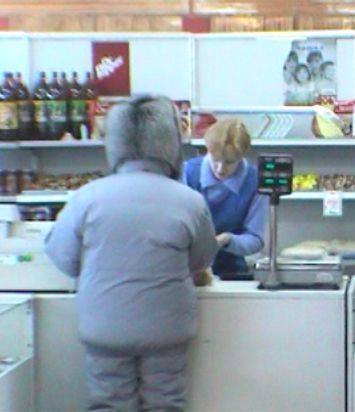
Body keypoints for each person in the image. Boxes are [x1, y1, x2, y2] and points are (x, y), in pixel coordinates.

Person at [44, 95, 219, 411]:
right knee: (166, 404)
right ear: (170, 143)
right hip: (167, 327)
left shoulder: (86, 198)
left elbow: (63, 258)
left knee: (108, 404)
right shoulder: (189, 201)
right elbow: (203, 259)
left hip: (103, 325)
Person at [183, 118, 267, 279]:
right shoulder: (187, 172)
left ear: (242, 156)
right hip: (188, 268)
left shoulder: (254, 181)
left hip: (232, 269)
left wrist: (228, 240)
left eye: (230, 162)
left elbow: (255, 239)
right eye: (215, 160)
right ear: (207, 150)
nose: (221, 169)